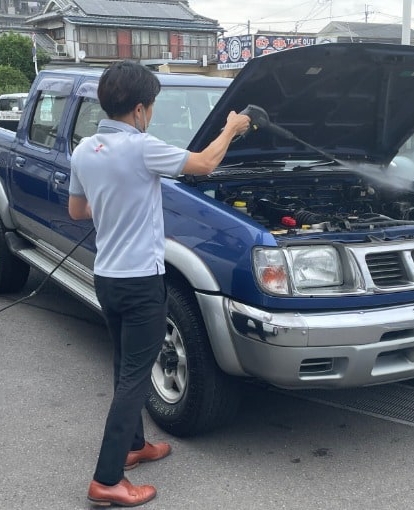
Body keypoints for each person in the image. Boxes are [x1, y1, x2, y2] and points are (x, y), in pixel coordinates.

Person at [68, 61, 250, 507]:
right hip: (141, 280)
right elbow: (205, 163)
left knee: (123, 366)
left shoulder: (84, 150)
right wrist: (231, 128)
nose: (150, 114)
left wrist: (113, 203)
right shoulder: (142, 148)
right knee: (135, 377)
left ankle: (134, 448)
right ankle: (106, 479)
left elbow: (77, 211)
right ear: (138, 109)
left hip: (107, 277)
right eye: (150, 106)